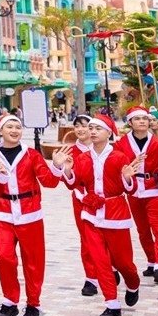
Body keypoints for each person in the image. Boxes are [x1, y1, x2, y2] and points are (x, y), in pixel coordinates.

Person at [0, 114, 71, 316]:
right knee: (4, 258)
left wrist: (57, 167)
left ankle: (33, 304)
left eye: (18, 126)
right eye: (9, 126)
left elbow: (48, 183)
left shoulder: (32, 155)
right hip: (2, 212)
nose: (14, 130)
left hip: (30, 213)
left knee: (33, 261)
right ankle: (10, 300)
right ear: (0, 131)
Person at [62, 114, 142, 316]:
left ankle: (133, 283)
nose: (93, 131)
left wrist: (126, 179)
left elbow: (130, 190)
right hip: (90, 214)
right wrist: (68, 171)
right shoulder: (82, 158)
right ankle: (112, 303)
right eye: (91, 128)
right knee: (100, 261)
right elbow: (73, 183)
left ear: (109, 132)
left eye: (98, 128)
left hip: (115, 214)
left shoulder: (119, 157)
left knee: (123, 262)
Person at [112, 108, 158, 285]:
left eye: (144, 118)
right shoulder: (121, 145)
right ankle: (151, 260)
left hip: (155, 190)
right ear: (130, 123)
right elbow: (116, 168)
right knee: (142, 230)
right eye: (137, 119)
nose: (142, 121)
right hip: (134, 190)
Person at [67, 115, 102, 297]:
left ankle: (108, 268)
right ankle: (91, 278)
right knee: (86, 238)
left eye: (85, 126)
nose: (81, 130)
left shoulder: (103, 148)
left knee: (107, 236)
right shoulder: (71, 152)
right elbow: (68, 179)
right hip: (81, 200)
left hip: (105, 200)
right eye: (77, 127)